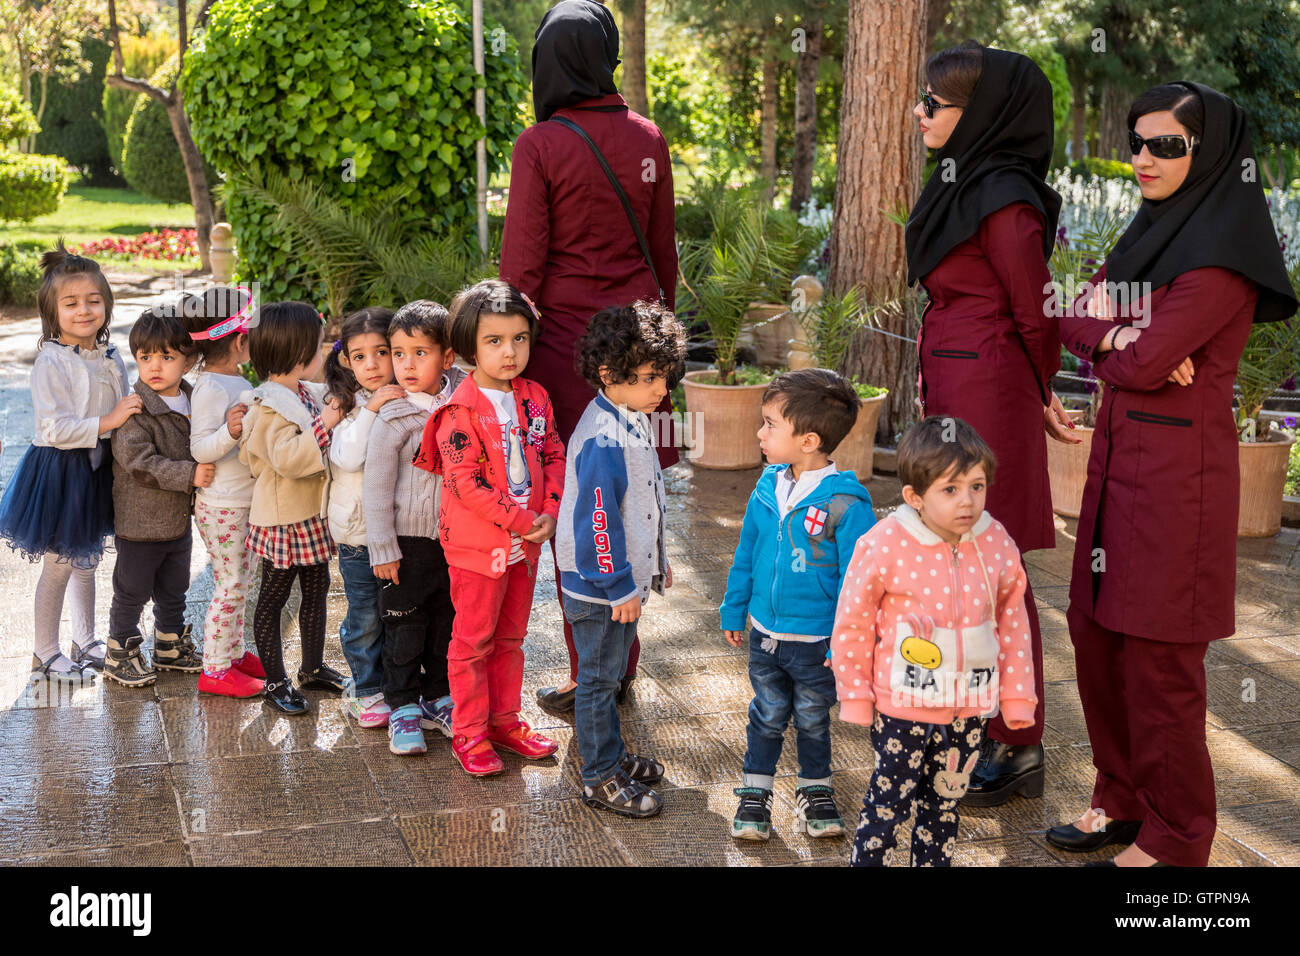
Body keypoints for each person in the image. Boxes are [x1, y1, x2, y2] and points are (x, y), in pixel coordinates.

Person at [1050, 83, 1297, 867]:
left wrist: (1122, 342)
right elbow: (1071, 312)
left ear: (1211, 153)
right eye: (1138, 142)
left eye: (1167, 145)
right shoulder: (1147, 234)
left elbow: (1151, 357)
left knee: (1161, 662)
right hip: (1117, 467)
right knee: (1097, 637)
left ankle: (1179, 834)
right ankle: (1119, 799)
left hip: (1178, 484)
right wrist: (1120, 336)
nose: (1143, 159)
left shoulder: (1224, 257)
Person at [904, 41, 1077, 805]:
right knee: (955, 561)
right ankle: (976, 720)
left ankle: (1019, 742)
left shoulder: (1003, 196)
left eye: (934, 103)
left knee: (994, 566)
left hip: (990, 392)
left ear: (983, 114)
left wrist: (1039, 387)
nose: (920, 111)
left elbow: (1036, 313)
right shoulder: (963, 182)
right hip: (956, 382)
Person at [501, 0, 678, 712]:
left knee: (578, 503)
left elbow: (521, 270)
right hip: (636, 342)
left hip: (567, 354)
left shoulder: (540, 144)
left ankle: (590, 672)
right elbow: (663, 253)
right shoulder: (648, 136)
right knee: (629, 493)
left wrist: (502, 352)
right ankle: (620, 659)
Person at [831, 416, 1039, 866]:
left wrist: (1018, 696)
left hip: (969, 710)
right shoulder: (886, 543)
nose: (968, 501)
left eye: (977, 486)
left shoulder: (997, 542)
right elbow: (853, 621)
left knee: (945, 804)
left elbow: (1014, 621)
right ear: (915, 497)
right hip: (902, 706)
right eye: (951, 489)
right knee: (888, 804)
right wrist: (855, 694)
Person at [414, 280, 566, 777]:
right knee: (474, 641)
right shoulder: (459, 411)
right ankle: (470, 732)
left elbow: (553, 454)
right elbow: (464, 484)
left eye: (520, 339)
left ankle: (505, 721)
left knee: (511, 638)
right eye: (495, 341)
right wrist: (525, 521)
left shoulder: (535, 396)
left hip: (526, 546)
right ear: (467, 349)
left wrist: (550, 509)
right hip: (481, 550)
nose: (510, 352)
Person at [719, 369, 877, 841]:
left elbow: (862, 583)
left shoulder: (847, 505)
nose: (760, 433)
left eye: (770, 424)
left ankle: (817, 789)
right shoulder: (766, 487)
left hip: (819, 643)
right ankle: (755, 793)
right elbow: (747, 552)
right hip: (766, 635)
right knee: (766, 716)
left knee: (812, 718)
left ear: (809, 440)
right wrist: (733, 608)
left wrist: (850, 643)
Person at [556, 301, 687, 818]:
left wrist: (658, 560)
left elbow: (643, 502)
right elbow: (598, 522)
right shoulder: (603, 437)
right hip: (600, 590)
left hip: (618, 583)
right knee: (598, 680)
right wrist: (618, 586)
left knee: (609, 676)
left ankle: (612, 755)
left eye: (666, 376)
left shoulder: (628, 415)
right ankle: (599, 775)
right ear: (610, 374)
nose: (662, 389)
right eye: (652, 377)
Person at [0, 242, 136, 683]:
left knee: (88, 558)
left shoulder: (112, 356)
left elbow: (126, 409)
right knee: (59, 564)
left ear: (107, 306)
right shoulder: (50, 361)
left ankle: (86, 637)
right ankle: (44, 652)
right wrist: (108, 420)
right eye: (71, 303)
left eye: (94, 301)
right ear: (52, 312)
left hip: (98, 471)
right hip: (61, 474)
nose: (84, 311)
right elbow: (53, 429)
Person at [363, 301, 467, 756]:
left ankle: (437, 697)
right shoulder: (394, 415)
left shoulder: (465, 403)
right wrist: (382, 548)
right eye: (398, 353)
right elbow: (376, 487)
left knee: (446, 621)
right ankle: (402, 703)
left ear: (447, 357)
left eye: (419, 353)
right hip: (405, 544)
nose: (406, 364)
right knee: (403, 625)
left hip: (455, 541)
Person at [238, 301, 346, 714]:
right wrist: (326, 425)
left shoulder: (301, 393)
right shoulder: (266, 406)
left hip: (310, 514)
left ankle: (313, 666)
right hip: (282, 519)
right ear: (300, 355)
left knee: (318, 589)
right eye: (319, 347)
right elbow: (287, 457)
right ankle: (275, 680)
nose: (322, 354)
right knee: (274, 597)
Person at [103, 309, 211, 686]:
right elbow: (138, 461)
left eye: (167, 357)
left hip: (177, 521)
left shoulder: (195, 399)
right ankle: (120, 649)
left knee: (174, 586)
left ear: (189, 360)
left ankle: (169, 642)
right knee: (131, 591)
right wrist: (190, 474)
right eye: (146, 357)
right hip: (140, 524)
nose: (155, 366)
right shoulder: (136, 409)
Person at [183, 287, 267, 697]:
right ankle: (214, 668)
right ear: (239, 341)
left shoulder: (235, 380)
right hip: (222, 506)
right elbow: (199, 449)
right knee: (230, 585)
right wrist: (230, 431)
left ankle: (233, 652)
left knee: (242, 581)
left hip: (242, 502)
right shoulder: (213, 387)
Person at [322, 306, 402, 727]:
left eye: (382, 352)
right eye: (359, 356)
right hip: (357, 535)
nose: (371, 364)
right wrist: (371, 410)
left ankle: (397, 683)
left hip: (402, 532)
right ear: (346, 360)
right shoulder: (344, 404)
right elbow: (348, 458)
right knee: (366, 615)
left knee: (400, 614)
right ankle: (366, 689)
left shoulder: (410, 395)